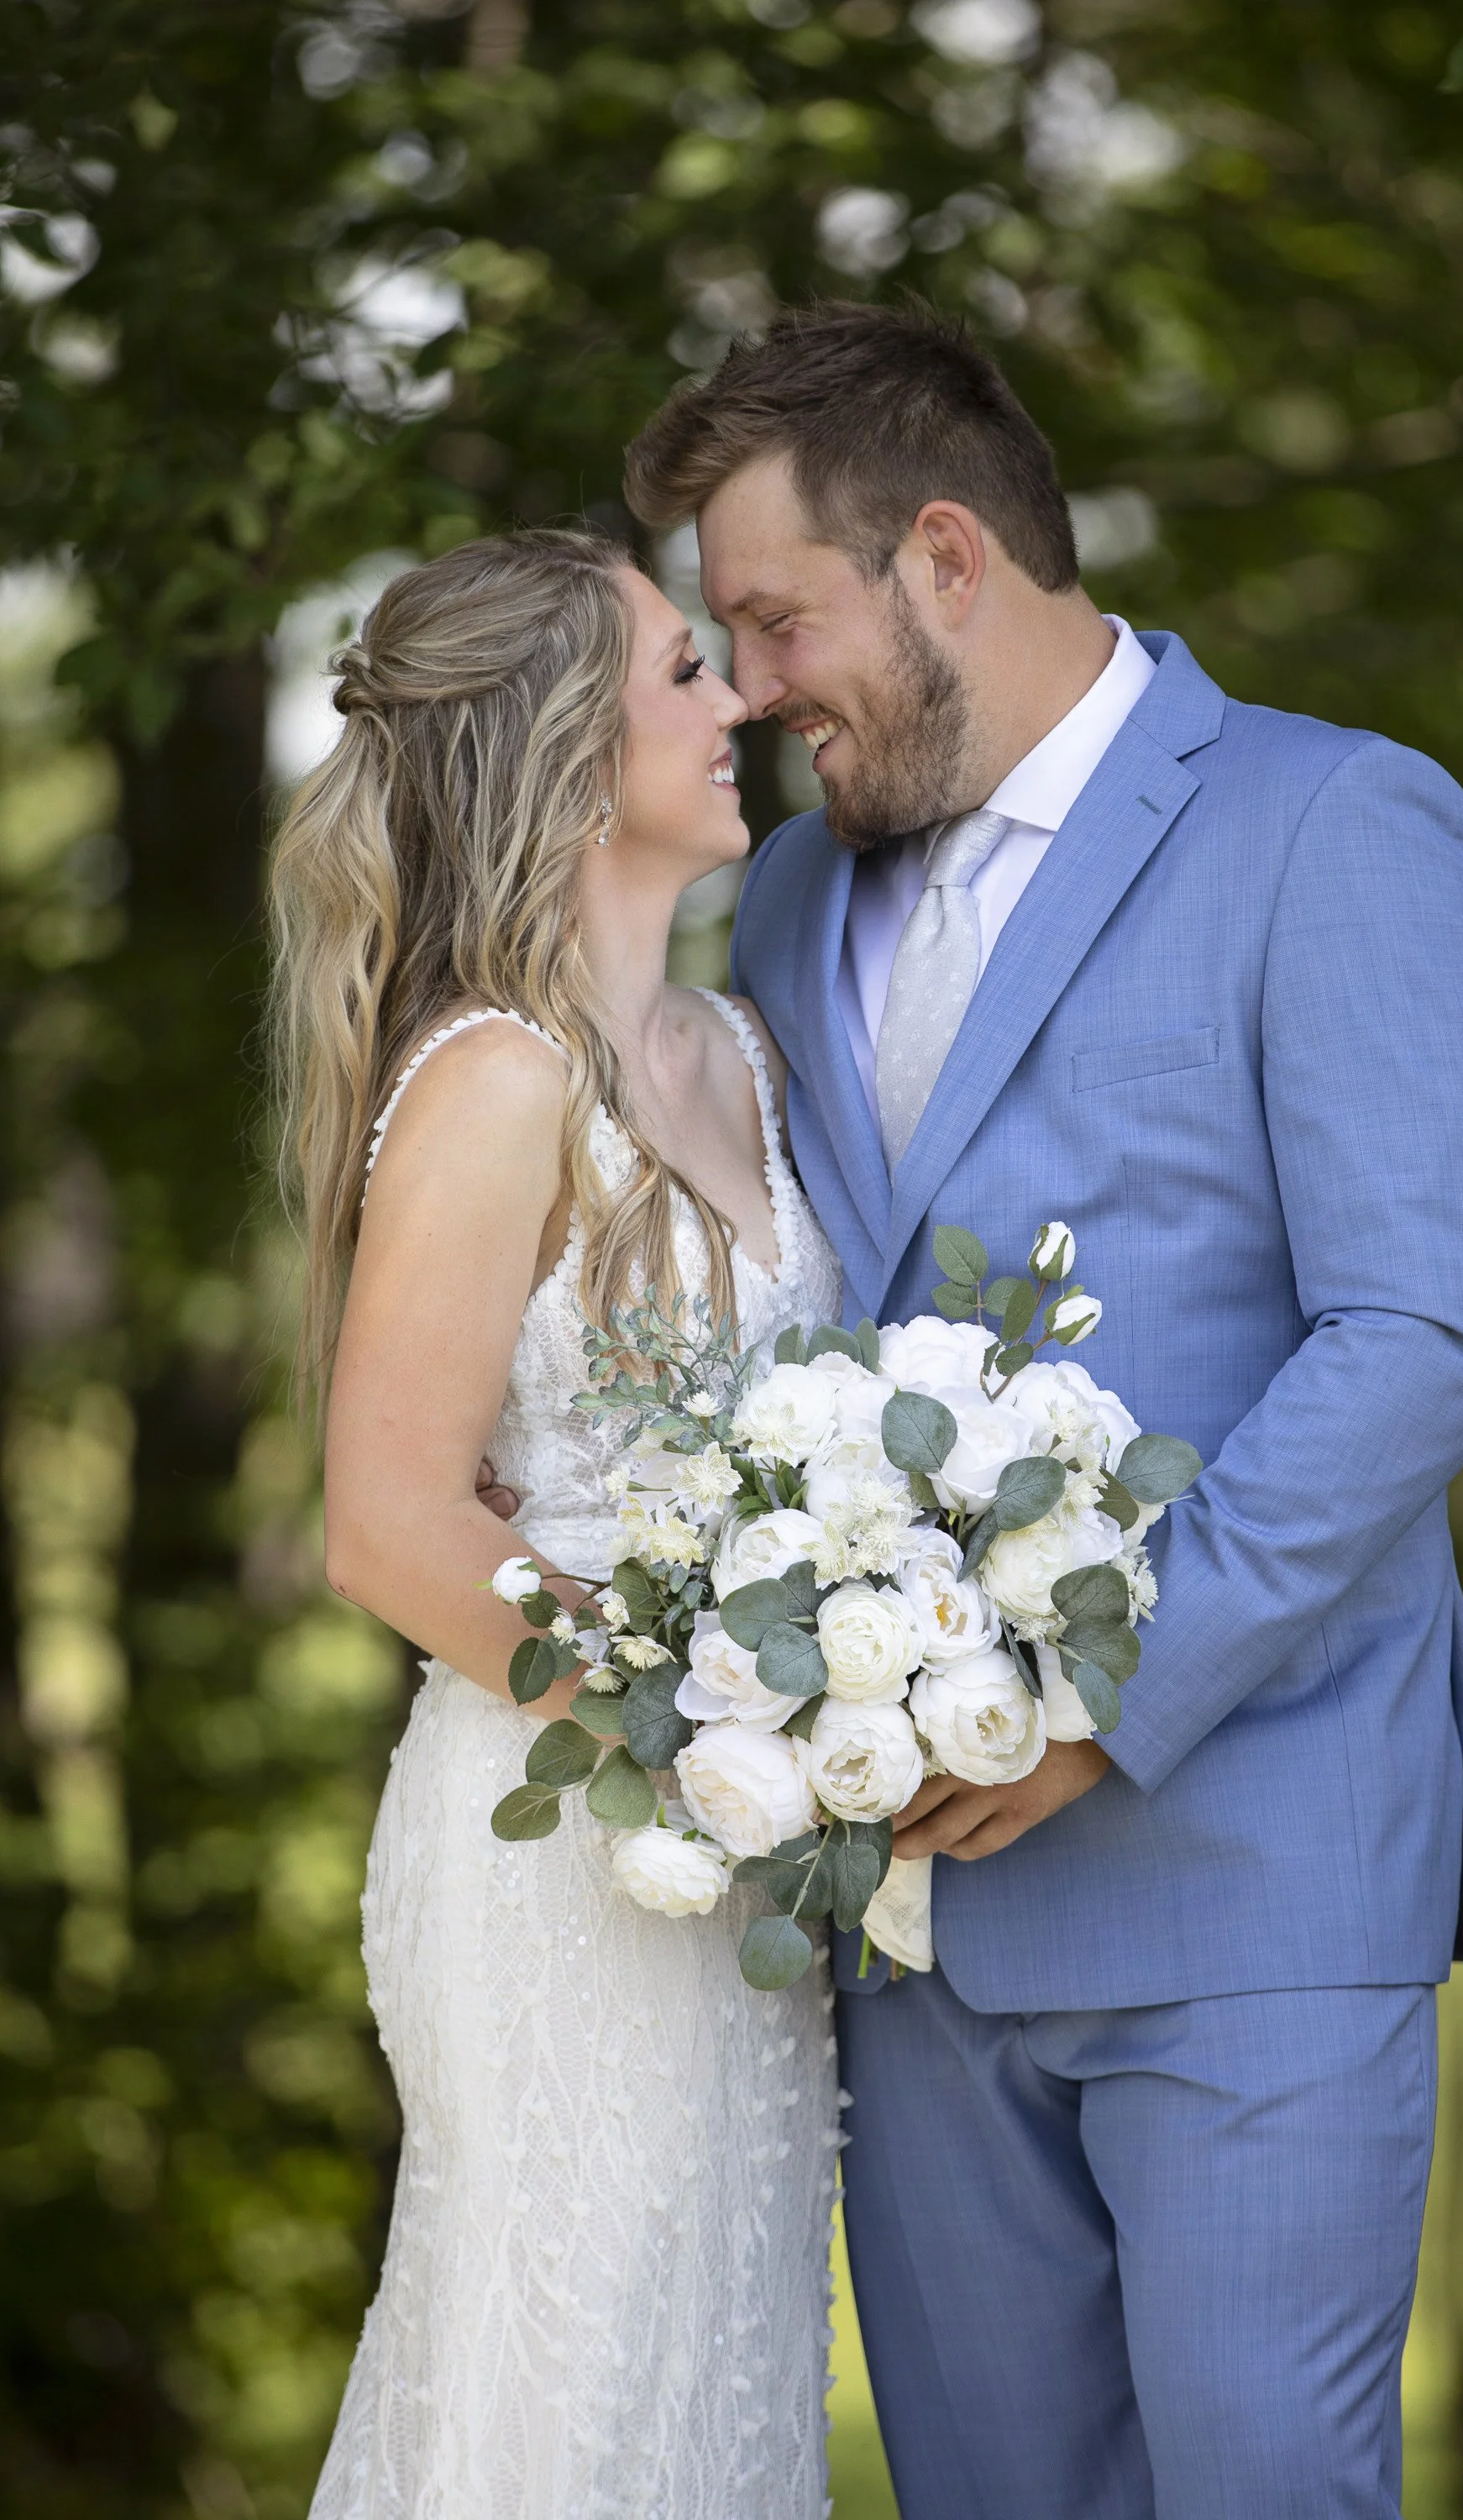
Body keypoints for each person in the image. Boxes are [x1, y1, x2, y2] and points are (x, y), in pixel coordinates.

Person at [624, 301, 1463, 2520]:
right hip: (909, 1916)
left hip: (1249, 1863)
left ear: (944, 557)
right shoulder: (768, 908)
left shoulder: (1336, 824)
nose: (747, 691)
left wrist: (1091, 1703)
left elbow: (1428, 1329)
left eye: (769, 620)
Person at [267, 528, 842, 2520]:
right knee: (565, 2406)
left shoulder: (741, 1057)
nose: (741, 701)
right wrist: (708, 1742)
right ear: (574, 750)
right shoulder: (498, 1079)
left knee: (708, 2387)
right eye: (689, 670)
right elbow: (388, 1524)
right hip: (561, 1859)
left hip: (746, 1887)